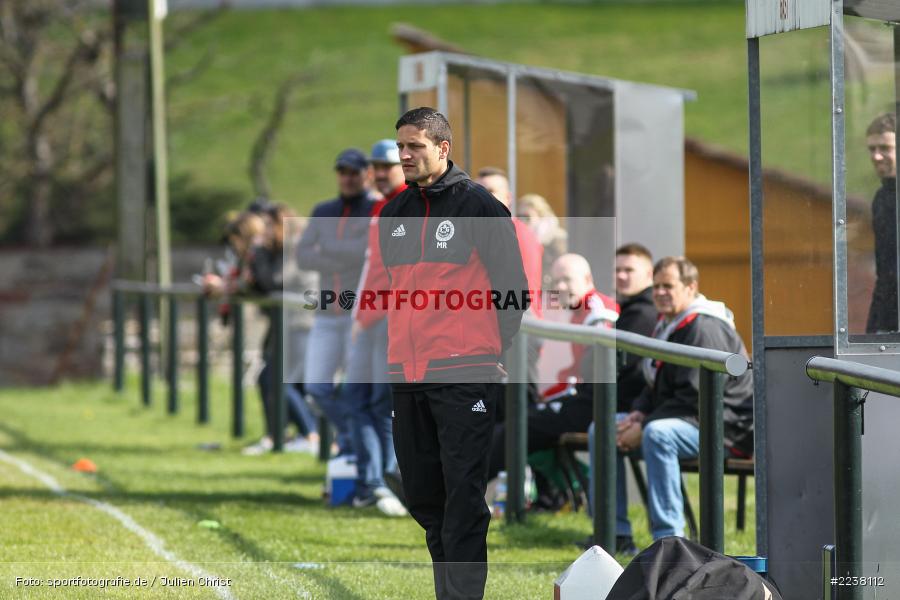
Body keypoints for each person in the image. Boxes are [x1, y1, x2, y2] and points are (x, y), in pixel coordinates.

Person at [377, 107, 528, 600]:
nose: (405, 155)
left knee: (463, 494)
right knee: (423, 493)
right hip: (407, 371)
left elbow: (513, 291)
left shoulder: (481, 207)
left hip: (466, 371)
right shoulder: (394, 212)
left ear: (442, 149)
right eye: (401, 146)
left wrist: (489, 348)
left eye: (415, 146)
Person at [615, 256, 754, 541]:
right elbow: (656, 382)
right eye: (656, 287)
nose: (660, 293)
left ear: (691, 287)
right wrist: (639, 412)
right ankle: (614, 532)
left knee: (657, 434)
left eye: (668, 286)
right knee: (604, 429)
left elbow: (696, 395)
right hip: (687, 419)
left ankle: (669, 540)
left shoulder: (704, 326)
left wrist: (644, 426)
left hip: (726, 428)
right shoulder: (669, 324)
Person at [487, 253, 617, 482]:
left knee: (519, 424)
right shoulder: (575, 311)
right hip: (581, 398)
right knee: (514, 419)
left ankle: (454, 489)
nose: (560, 287)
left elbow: (599, 372)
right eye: (555, 282)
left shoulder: (597, 311)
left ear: (588, 279)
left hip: (599, 402)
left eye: (567, 279)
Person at [297, 149, 376, 456]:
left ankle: (357, 446)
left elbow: (365, 253)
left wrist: (328, 249)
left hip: (361, 315)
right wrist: (342, 255)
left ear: (366, 174)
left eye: (354, 172)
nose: (347, 178)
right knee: (316, 387)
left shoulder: (374, 209)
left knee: (357, 390)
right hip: (327, 313)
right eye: (342, 172)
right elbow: (303, 256)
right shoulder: (323, 210)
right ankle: (352, 437)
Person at [345, 139, 408, 513]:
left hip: (387, 321)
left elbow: (390, 274)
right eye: (377, 167)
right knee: (363, 401)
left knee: (380, 404)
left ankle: (384, 481)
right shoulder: (382, 207)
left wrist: (364, 317)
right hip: (374, 319)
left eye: (388, 166)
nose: (381, 173)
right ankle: (375, 482)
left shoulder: (405, 207)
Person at [865, 112, 898, 334]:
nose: (876, 156)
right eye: (872, 149)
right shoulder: (882, 198)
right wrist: (875, 328)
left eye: (884, 148)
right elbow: (885, 273)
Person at [515, 193, 567, 287]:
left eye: (527, 217)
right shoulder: (520, 238)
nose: (522, 221)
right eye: (519, 216)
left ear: (541, 216)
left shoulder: (558, 238)